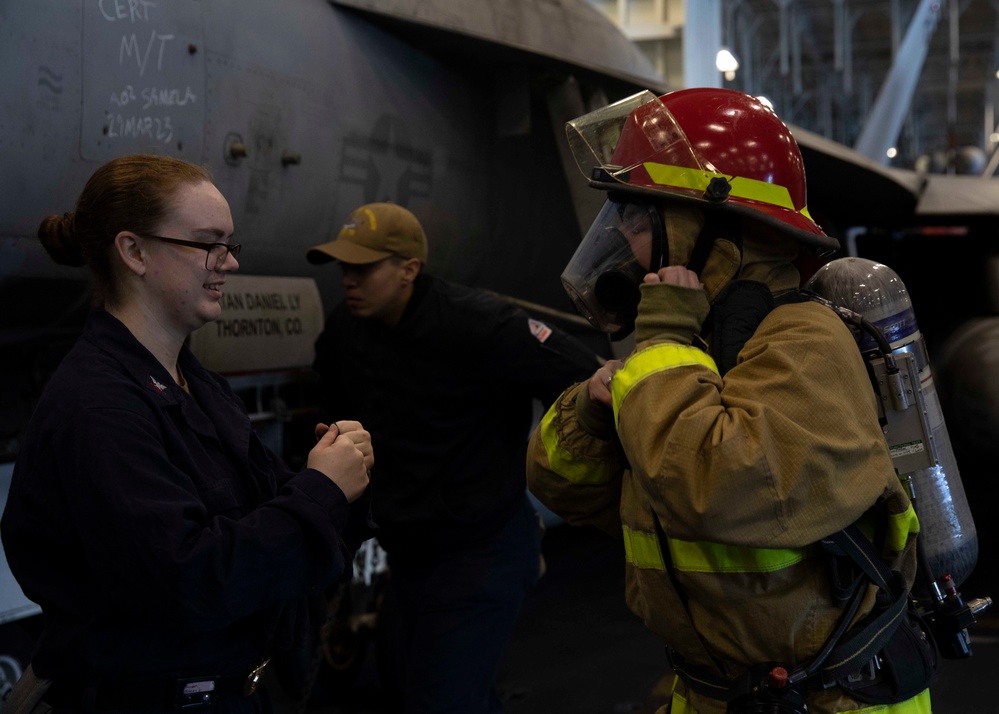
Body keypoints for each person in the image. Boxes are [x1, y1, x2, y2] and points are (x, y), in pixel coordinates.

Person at [526, 88, 934, 713]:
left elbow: (717, 486)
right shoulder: (695, 351)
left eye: (640, 220)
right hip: (717, 693)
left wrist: (660, 347)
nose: (628, 244)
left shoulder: (804, 341)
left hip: (830, 699)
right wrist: (590, 408)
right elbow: (565, 490)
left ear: (705, 227)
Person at [1, 154, 372, 714]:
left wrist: (339, 482)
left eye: (229, 244)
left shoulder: (197, 384)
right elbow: (188, 583)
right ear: (134, 252)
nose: (227, 263)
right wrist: (321, 491)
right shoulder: (98, 407)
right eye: (207, 243)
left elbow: (262, 522)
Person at [305, 202, 599, 713]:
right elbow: (335, 420)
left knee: (440, 700)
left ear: (408, 270)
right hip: (412, 553)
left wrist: (567, 480)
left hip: (484, 549)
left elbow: (587, 380)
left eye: (364, 268)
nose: (348, 280)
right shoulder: (346, 335)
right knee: (418, 686)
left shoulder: (480, 325)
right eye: (344, 268)